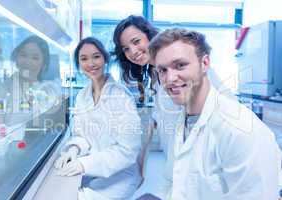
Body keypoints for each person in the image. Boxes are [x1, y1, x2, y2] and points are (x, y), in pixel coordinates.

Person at [148, 28, 281, 200]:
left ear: (205, 63)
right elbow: (177, 182)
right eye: (162, 70)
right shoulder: (185, 120)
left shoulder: (239, 129)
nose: (170, 78)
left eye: (180, 65)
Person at [54, 37, 142, 200]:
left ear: (105, 59)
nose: (91, 63)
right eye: (84, 58)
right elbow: (81, 135)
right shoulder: (82, 96)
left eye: (96, 56)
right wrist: (75, 149)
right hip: (91, 172)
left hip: (119, 176)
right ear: (79, 64)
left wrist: (84, 164)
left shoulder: (120, 96)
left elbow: (127, 150)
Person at [113, 15, 180, 197]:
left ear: (149, 35)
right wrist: (140, 166)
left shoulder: (174, 67)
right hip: (177, 166)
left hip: (195, 167)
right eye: (126, 49)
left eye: (136, 41)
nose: (133, 51)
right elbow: (155, 121)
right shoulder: (156, 74)